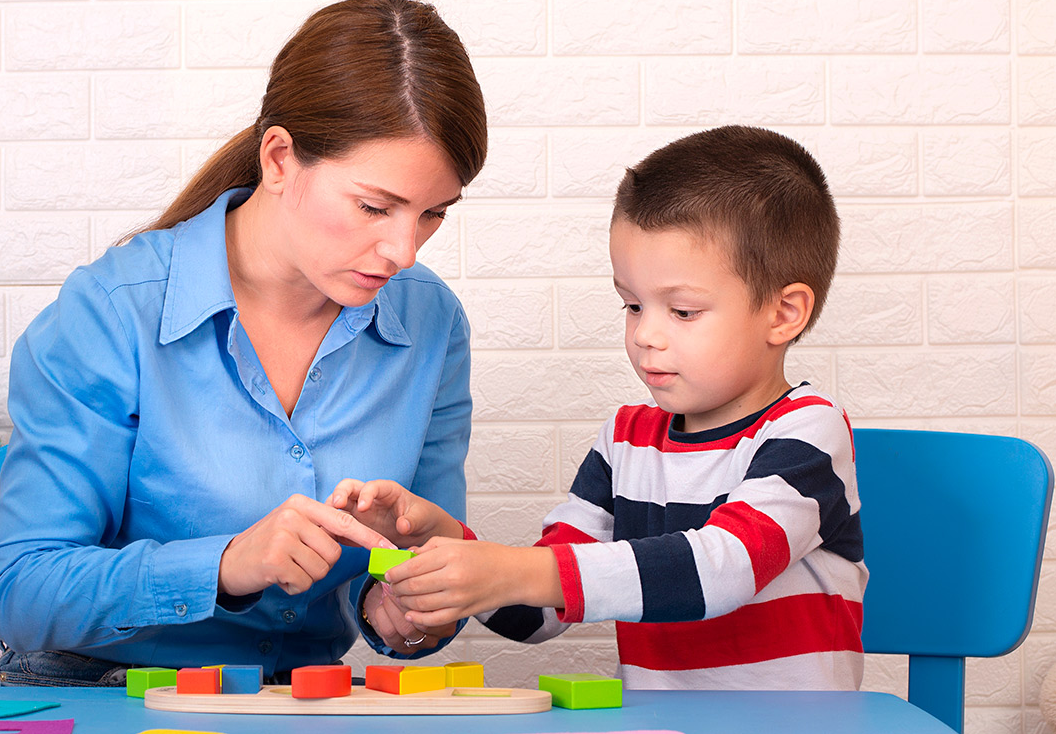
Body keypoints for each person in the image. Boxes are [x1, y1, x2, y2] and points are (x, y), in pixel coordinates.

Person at [0, 0, 488, 687]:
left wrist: (407, 606)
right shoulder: (110, 312)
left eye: (434, 214)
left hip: (296, 702)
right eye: (375, 206)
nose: (405, 250)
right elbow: (22, 591)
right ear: (278, 159)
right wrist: (225, 564)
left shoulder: (431, 324)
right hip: (99, 693)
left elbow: (421, 559)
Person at [332, 125, 866, 691]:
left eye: (682, 311)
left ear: (784, 314)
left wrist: (517, 571)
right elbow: (535, 613)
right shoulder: (626, 439)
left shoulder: (808, 430)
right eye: (633, 305)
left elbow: (722, 568)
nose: (646, 336)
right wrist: (443, 543)